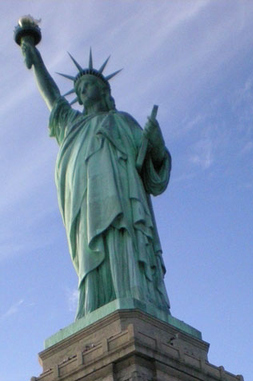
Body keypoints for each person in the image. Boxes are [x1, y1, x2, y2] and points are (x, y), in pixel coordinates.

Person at [20, 38, 171, 320]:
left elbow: (154, 172)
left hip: (124, 202)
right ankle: (95, 305)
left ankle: (135, 294)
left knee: (123, 242)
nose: (82, 91)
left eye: (88, 85)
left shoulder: (123, 122)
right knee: (92, 251)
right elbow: (53, 98)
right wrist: (36, 62)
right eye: (79, 89)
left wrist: (157, 143)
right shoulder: (72, 125)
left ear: (103, 90)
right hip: (87, 205)